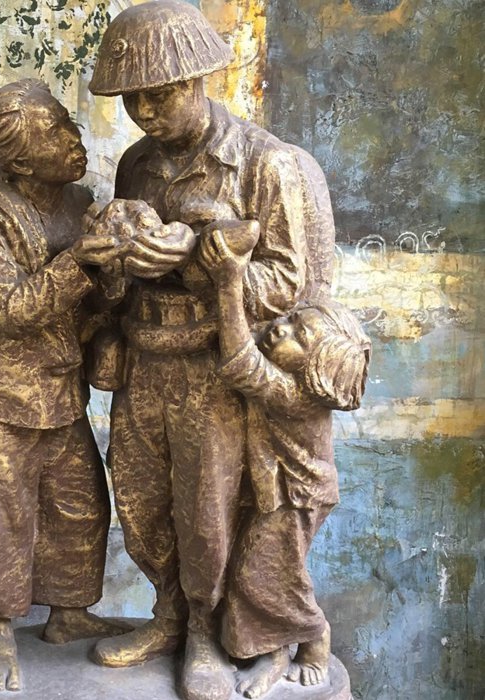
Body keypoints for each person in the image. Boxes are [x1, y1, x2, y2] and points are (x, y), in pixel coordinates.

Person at [85, 2, 337, 699]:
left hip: (214, 368)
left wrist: (193, 258)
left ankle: (203, 628)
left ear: (199, 80)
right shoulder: (136, 165)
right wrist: (117, 256)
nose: (144, 111)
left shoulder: (266, 164)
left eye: (160, 94)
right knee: (140, 498)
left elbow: (291, 284)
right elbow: (122, 268)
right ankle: (167, 614)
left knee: (206, 509)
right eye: (132, 98)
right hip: (145, 356)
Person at [0, 79, 127, 692]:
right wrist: (82, 260)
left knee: (79, 501)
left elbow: (96, 296)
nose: (74, 138)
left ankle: (68, 612)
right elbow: (14, 309)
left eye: (69, 122)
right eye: (56, 131)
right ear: (18, 161)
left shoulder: (78, 203)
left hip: (56, 381)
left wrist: (117, 267)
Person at [199, 225, 371, 698]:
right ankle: (271, 649)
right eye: (293, 320)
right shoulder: (291, 377)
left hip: (298, 497)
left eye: (299, 335)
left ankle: (312, 641)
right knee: (264, 570)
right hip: (285, 491)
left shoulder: (295, 396)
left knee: (262, 572)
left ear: (316, 367)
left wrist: (230, 280)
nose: (281, 328)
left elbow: (240, 362)